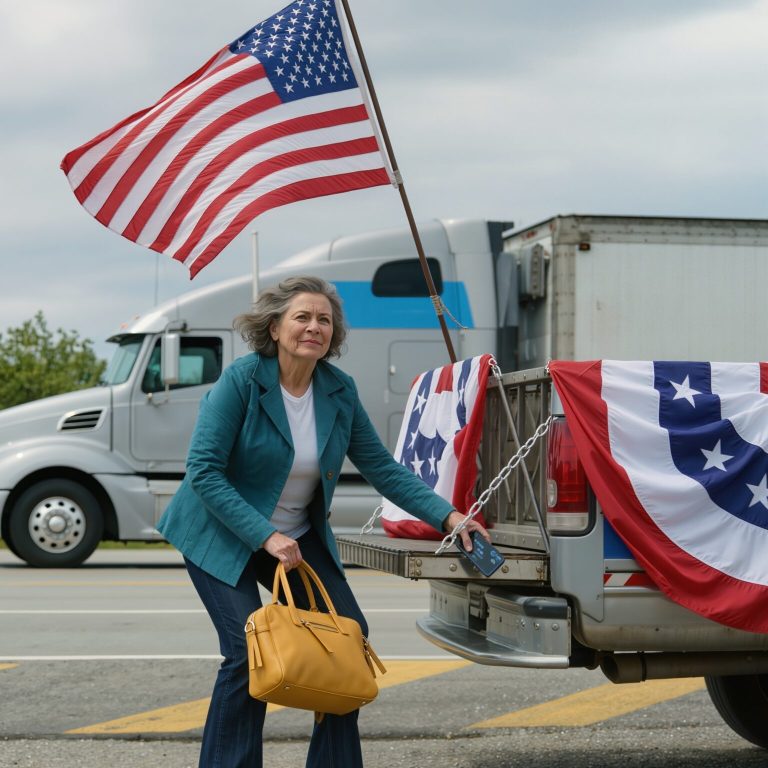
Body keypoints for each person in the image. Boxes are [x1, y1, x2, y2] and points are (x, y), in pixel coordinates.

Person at [156, 275, 489, 768]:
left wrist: (452, 517)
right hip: (219, 531)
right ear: (274, 328)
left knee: (346, 640)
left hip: (293, 536)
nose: (314, 327)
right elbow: (204, 472)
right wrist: (265, 535)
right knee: (247, 651)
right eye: (302, 317)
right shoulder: (242, 381)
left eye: (324, 320)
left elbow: (382, 468)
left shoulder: (338, 391)